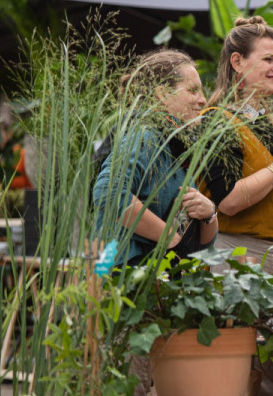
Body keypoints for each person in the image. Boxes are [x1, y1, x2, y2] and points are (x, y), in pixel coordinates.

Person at [204, 16, 273, 274]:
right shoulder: (217, 120)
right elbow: (228, 201)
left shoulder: (264, 123)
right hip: (239, 259)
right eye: (268, 59)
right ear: (237, 62)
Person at [93, 49, 218, 266]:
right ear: (162, 94)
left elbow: (198, 248)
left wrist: (209, 214)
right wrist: (171, 238)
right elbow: (108, 193)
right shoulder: (146, 135)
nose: (203, 100)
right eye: (193, 90)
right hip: (122, 278)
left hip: (153, 281)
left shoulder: (176, 144)